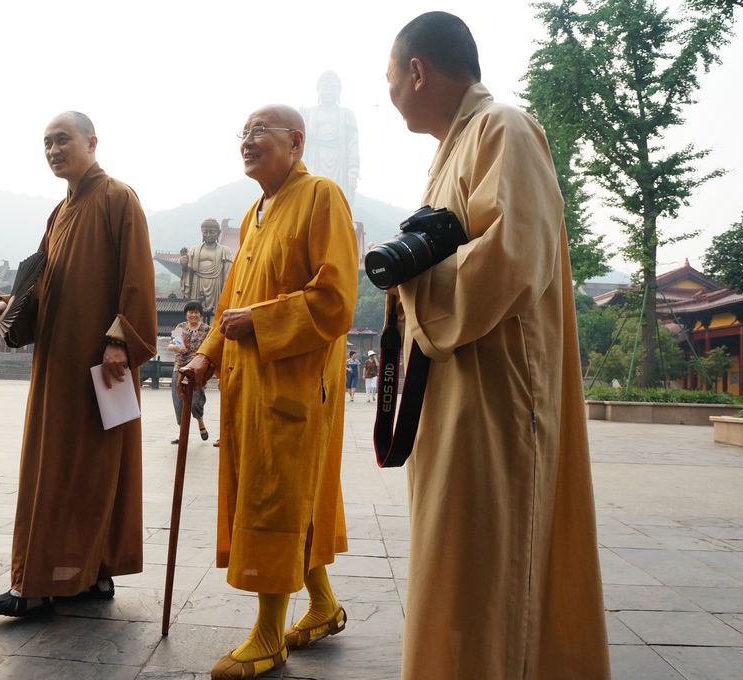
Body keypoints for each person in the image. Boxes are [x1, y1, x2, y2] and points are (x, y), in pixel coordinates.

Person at [385, 12, 610, 679]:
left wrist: (416, 288)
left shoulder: (503, 127)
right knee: (453, 562)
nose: (391, 89)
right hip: (454, 390)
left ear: (417, 71)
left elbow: (513, 255)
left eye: (390, 75)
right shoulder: (453, 146)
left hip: (494, 395)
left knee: (489, 566)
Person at [183, 104, 358, 680]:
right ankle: (325, 606)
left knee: (277, 499)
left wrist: (259, 321)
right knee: (280, 495)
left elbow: (334, 299)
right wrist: (206, 354)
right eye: (244, 132)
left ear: (297, 142)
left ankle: (268, 636)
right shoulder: (255, 212)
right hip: (248, 385)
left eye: (260, 131)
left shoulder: (321, 196)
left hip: (295, 386)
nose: (247, 141)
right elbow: (231, 300)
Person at [0, 111, 156, 617]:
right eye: (47, 144)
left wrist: (121, 342)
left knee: (88, 469)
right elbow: (41, 286)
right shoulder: (59, 214)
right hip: (59, 369)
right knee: (62, 468)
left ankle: (38, 583)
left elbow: (137, 278)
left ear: (92, 142)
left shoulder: (118, 199)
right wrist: (8, 309)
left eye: (63, 140)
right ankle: (87, 575)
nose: (54, 150)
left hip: (101, 365)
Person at [300, 71, 360, 208]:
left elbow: (353, 144)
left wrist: (353, 168)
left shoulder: (347, 115)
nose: (328, 92)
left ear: (339, 91)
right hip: (314, 162)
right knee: (312, 200)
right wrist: (300, 123)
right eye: (324, 88)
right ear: (318, 90)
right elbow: (300, 143)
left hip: (340, 164)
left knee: (339, 201)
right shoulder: (309, 113)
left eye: (333, 88)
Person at [167, 300, 211, 442]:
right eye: (190, 312)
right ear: (186, 314)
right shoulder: (180, 327)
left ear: (200, 314)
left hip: (197, 368)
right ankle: (182, 432)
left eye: (196, 312)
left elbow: (211, 347)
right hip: (179, 367)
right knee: (178, 398)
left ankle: (200, 422)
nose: (193, 315)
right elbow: (173, 343)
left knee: (197, 398)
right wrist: (175, 347)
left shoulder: (207, 329)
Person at [180, 218, 234, 314]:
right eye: (205, 232)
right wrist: (184, 265)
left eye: (212, 232)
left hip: (215, 283)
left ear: (218, 233)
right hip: (197, 282)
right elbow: (188, 271)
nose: (208, 235)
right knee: (195, 310)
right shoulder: (194, 249)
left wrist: (226, 292)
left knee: (215, 312)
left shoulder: (225, 250)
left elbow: (228, 274)